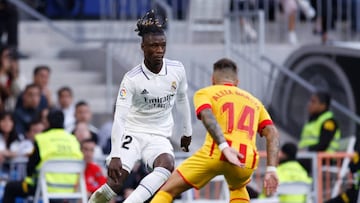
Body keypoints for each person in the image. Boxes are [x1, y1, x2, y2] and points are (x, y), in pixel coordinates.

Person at [88, 10, 193, 203]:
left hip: (158, 136)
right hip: (133, 133)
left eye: (163, 45)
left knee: (167, 163)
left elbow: (182, 99)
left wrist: (187, 132)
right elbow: (119, 117)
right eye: (154, 45)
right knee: (115, 185)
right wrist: (115, 154)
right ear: (143, 47)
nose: (160, 50)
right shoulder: (132, 79)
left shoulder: (177, 70)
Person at [150, 58, 280, 203]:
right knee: (238, 187)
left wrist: (224, 147)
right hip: (245, 160)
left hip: (215, 153)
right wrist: (271, 169)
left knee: (167, 189)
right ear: (237, 82)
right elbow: (272, 132)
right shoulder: (255, 102)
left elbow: (207, 115)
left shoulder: (205, 92)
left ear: (213, 80)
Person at [2, 109, 83, 202]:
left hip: (45, 186)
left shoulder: (42, 139)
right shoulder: (73, 140)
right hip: (70, 188)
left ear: (47, 122)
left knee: (10, 187)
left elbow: (30, 167)